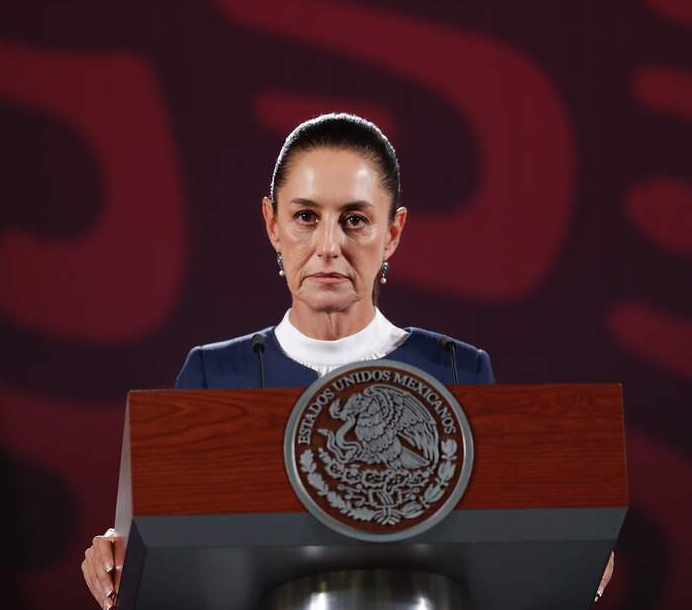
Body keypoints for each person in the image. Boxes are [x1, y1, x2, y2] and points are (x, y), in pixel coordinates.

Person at [80, 113, 613, 609]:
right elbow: (174, 543)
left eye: (355, 219)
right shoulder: (212, 376)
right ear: (272, 224)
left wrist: (573, 547)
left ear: (392, 233)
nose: (329, 245)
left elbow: (504, 535)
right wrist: (121, 549)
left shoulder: (459, 372)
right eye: (306, 217)